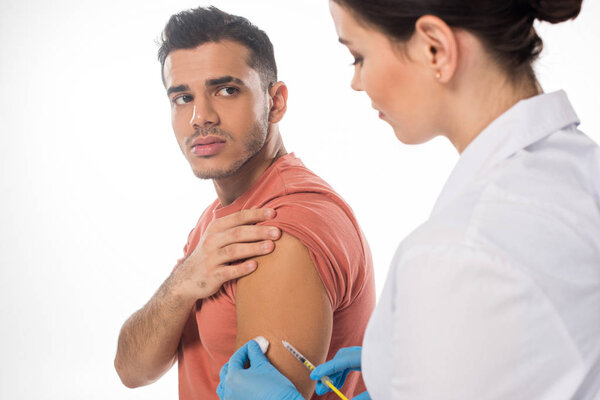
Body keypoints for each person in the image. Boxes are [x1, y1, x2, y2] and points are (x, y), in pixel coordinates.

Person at [218, 0, 600, 399]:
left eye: (358, 56)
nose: (357, 82)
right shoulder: (579, 167)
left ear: (434, 47)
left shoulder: (461, 250)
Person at [113, 6, 375, 400]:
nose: (201, 116)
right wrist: (182, 283)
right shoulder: (217, 224)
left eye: (226, 90)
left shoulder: (276, 225)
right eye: (183, 97)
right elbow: (131, 370)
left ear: (277, 102)